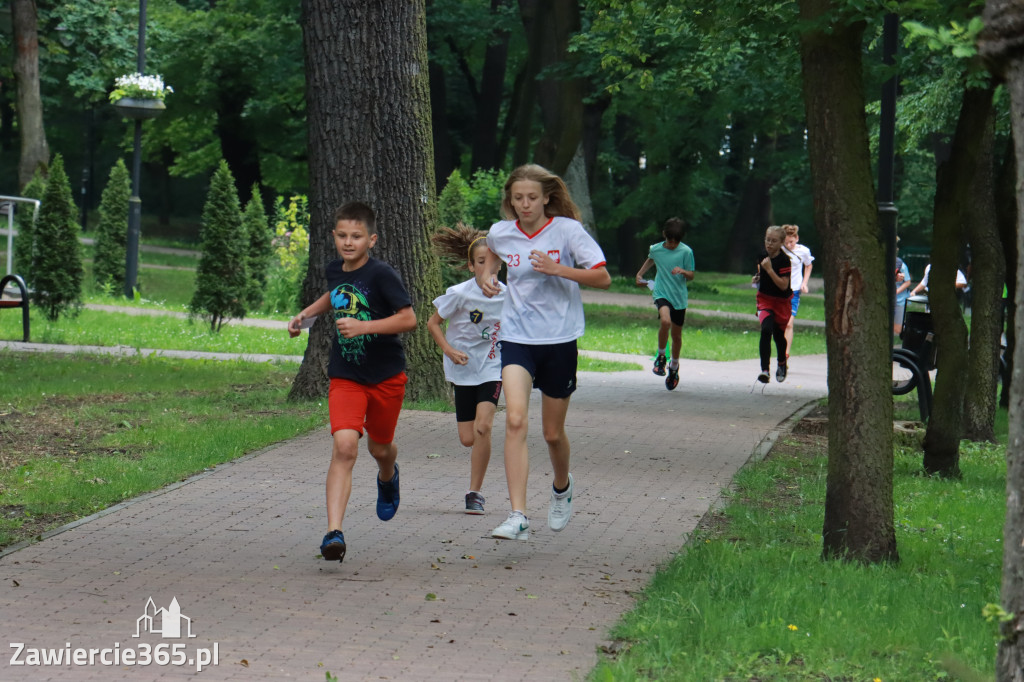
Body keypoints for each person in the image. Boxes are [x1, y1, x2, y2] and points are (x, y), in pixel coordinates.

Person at [474, 164, 611, 540]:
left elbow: (602, 276)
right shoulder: (502, 233)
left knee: (552, 433)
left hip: (560, 339)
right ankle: (517, 514)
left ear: (547, 197)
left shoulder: (567, 231)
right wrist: (489, 275)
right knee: (515, 420)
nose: (525, 204)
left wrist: (558, 269)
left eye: (532, 197)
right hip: (517, 337)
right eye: (517, 198)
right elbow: (493, 252)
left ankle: (562, 487)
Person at [287, 201, 417, 564]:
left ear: (371, 239)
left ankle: (388, 476)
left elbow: (408, 319)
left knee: (380, 448)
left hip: (386, 377)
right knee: (345, 446)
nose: (348, 242)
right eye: (342, 235)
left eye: (356, 236)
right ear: (334, 236)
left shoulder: (383, 275)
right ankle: (334, 533)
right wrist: (306, 315)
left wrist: (364, 327)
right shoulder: (334, 270)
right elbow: (336, 294)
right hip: (346, 374)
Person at [427, 224, 505, 515]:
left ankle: (475, 493)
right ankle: (475, 473)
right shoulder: (459, 294)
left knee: (484, 427)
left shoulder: (508, 295)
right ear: (471, 265)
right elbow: (432, 323)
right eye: (480, 262)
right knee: (468, 438)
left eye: (492, 261)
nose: (487, 267)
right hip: (462, 369)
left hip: (492, 369)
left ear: (501, 263)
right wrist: (448, 350)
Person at [634, 217, 695, 391]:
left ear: (681, 239)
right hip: (661, 293)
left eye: (675, 242)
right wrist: (640, 276)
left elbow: (691, 275)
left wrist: (683, 271)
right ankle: (661, 356)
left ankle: (674, 367)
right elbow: (649, 261)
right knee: (665, 322)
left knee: (676, 337)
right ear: (664, 235)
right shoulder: (656, 249)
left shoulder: (686, 252)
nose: (672, 245)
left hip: (679, 298)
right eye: (669, 241)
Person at [751, 225, 792, 384]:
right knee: (766, 329)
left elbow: (783, 285)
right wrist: (758, 278)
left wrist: (768, 270)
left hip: (781, 302)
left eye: (774, 241)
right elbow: (761, 271)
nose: (769, 244)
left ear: (781, 243)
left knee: (778, 336)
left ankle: (782, 362)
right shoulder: (762, 255)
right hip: (765, 299)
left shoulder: (783, 260)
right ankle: (765, 370)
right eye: (767, 240)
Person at [781, 224, 813, 360]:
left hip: (794, 290)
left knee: (789, 323)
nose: (789, 245)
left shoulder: (803, 251)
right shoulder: (778, 250)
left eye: (791, 242)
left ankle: (785, 354)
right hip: (779, 290)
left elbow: (808, 265)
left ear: (797, 239)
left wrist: (804, 283)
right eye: (786, 242)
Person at [894, 255, 912, 335]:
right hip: (887, 299)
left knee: (898, 329)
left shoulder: (900, 265)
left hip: (900, 300)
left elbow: (908, 282)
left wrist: (895, 292)